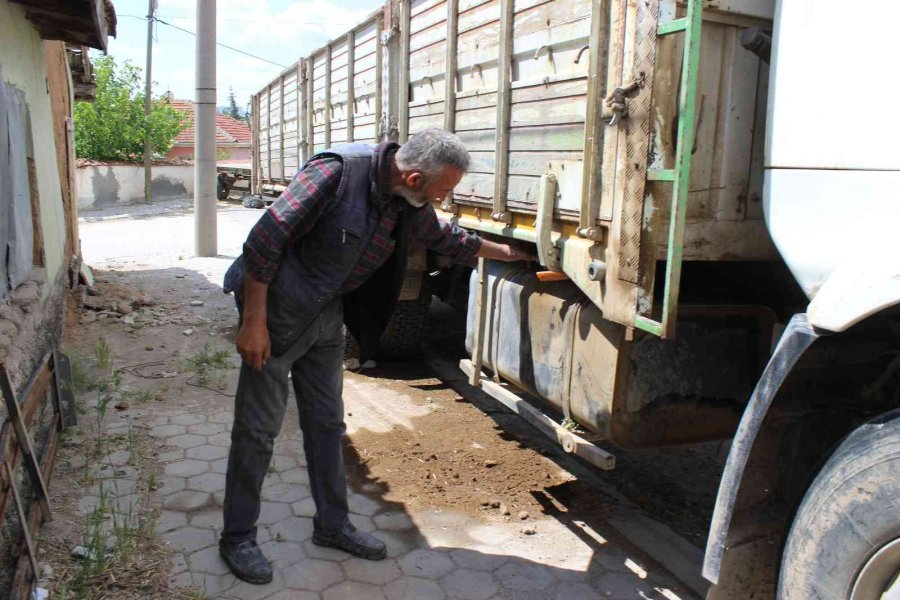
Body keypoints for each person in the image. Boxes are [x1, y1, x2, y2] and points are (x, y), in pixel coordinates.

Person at [219, 129, 533, 584]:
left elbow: (449, 240)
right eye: (443, 190)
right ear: (413, 176)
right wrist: (253, 322)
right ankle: (238, 538)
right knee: (258, 430)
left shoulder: (407, 201)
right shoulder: (336, 173)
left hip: (326, 315)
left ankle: (332, 525)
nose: (444, 200)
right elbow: (265, 239)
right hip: (277, 315)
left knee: (327, 425)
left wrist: (509, 253)